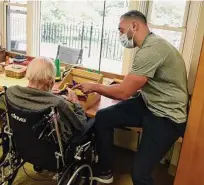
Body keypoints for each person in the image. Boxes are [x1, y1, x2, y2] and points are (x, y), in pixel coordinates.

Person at [76, 10, 188, 185]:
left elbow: (123, 93)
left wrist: (95, 87)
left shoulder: (152, 50)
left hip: (167, 116)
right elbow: (138, 85)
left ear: (134, 26)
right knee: (103, 117)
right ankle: (105, 170)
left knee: (139, 175)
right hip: (148, 103)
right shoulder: (149, 46)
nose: (120, 35)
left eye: (121, 30)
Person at [6, 57, 93, 143]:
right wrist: (76, 102)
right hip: (49, 148)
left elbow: (32, 95)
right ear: (50, 81)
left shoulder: (11, 92)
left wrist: (48, 94)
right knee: (93, 120)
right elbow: (81, 125)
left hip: (24, 141)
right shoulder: (57, 103)